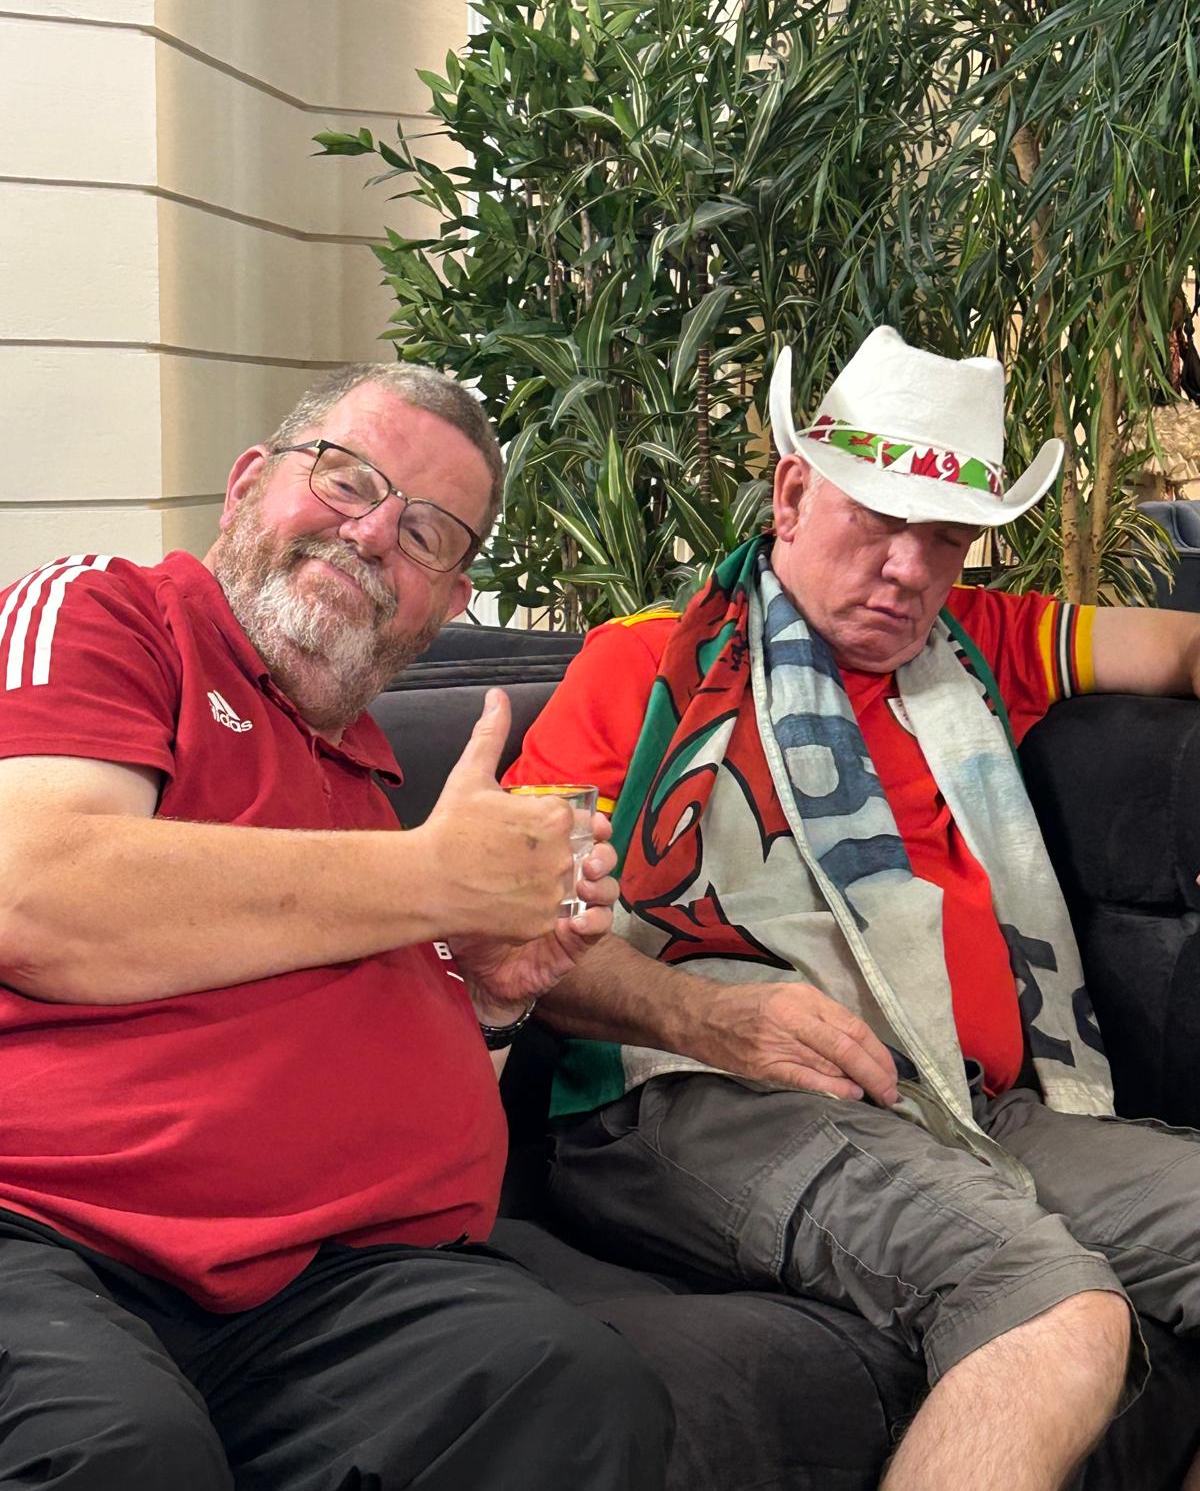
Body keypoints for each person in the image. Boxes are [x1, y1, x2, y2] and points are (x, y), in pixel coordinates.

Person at [505, 326, 1200, 1491]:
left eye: (945, 537)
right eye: (877, 519)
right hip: (698, 1097)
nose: (910, 568)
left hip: (964, 1105)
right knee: (1046, 1302)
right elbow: (517, 930)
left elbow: (1181, 649)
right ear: (790, 494)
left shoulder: (975, 648)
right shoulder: (643, 666)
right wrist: (710, 1018)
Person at [0, 362, 674, 1491]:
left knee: (575, 1390)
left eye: (427, 533)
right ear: (245, 486)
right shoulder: (108, 614)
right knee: (118, 1451)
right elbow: (32, 897)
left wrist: (494, 997)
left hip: (335, 1284)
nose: (371, 534)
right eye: (347, 479)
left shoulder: (368, 779)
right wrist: (434, 878)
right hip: (50, 1236)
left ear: (447, 605)